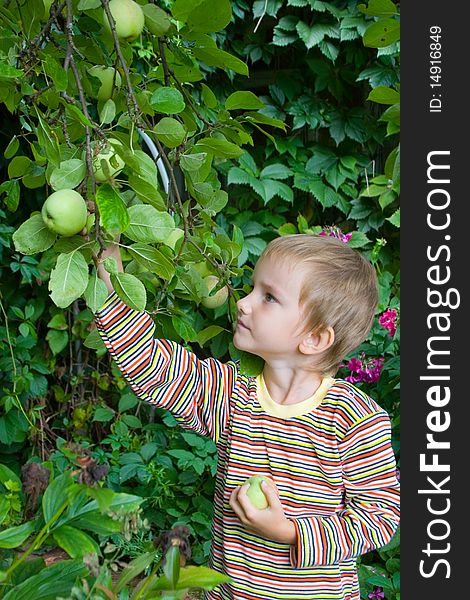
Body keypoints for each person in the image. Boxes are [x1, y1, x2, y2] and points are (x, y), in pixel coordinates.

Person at [94, 234, 400, 600]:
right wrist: (111, 278)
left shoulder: (355, 419)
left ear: (315, 339)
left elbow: (379, 517)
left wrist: (289, 532)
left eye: (268, 297)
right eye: (253, 288)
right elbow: (155, 368)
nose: (243, 302)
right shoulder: (234, 395)